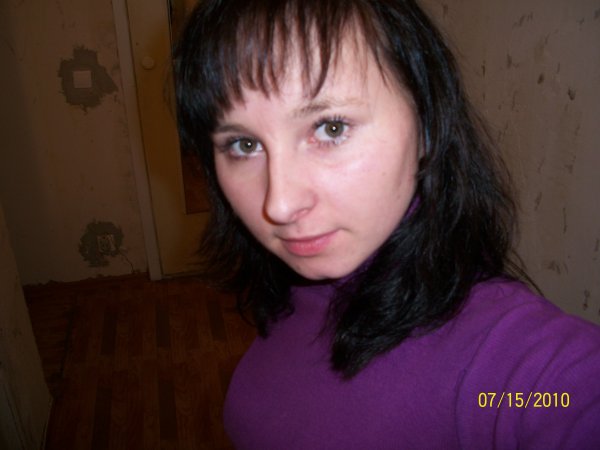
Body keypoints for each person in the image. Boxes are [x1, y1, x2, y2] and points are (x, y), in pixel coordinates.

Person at [172, 0, 600, 448]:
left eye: (331, 128)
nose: (279, 205)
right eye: (243, 144)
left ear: (427, 121)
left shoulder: (521, 366)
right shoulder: (300, 283)